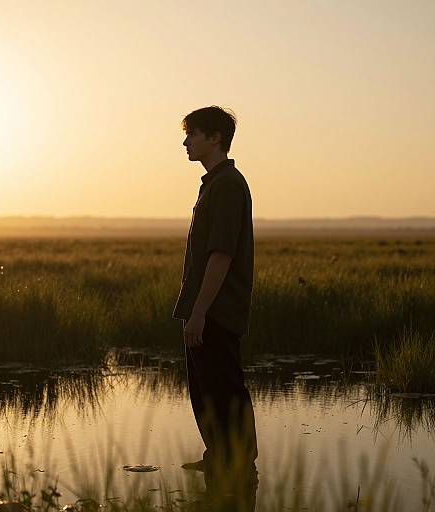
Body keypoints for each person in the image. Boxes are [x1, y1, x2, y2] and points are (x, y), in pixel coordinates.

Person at [172, 105, 258, 473]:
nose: (185, 142)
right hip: (207, 309)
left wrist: (200, 313)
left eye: (193, 134)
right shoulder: (215, 183)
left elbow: (220, 255)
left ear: (215, 138)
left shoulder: (227, 186)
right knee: (206, 390)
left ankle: (238, 464)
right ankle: (220, 458)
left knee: (223, 388)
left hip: (216, 310)